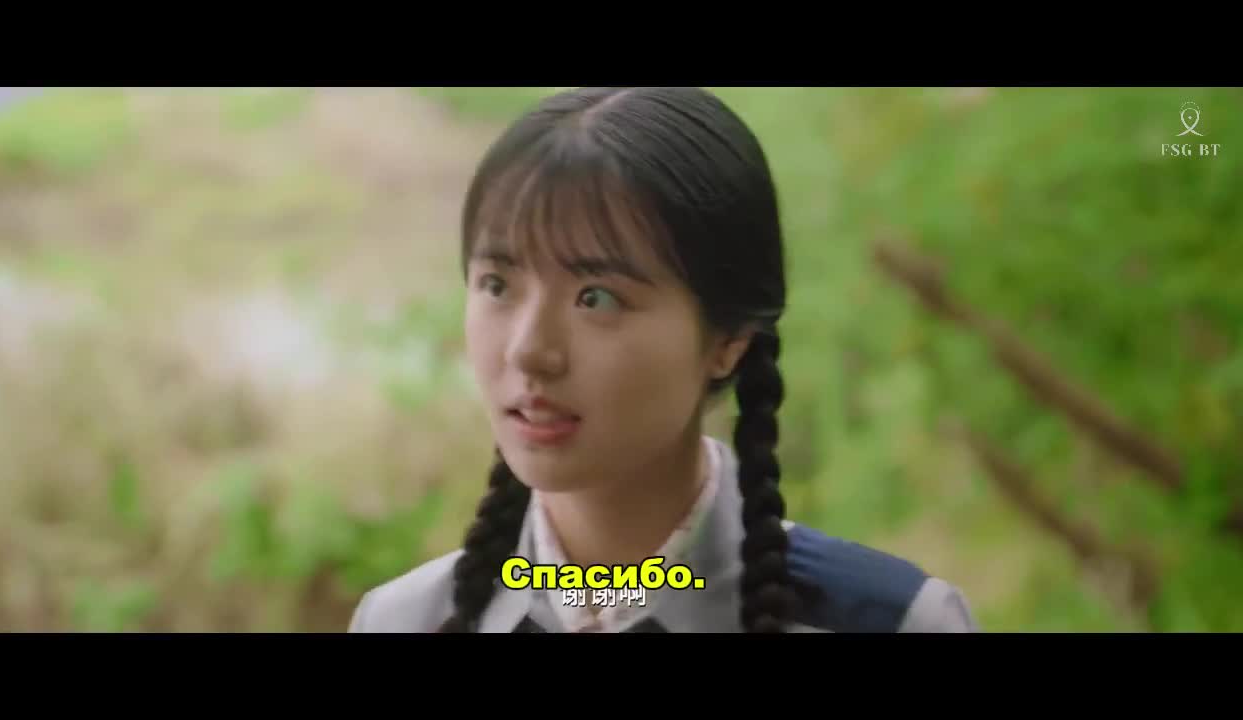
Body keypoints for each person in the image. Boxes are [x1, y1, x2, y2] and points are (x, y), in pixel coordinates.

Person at [348, 87, 980, 633]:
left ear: (728, 339)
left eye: (596, 297)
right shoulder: (403, 620)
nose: (528, 350)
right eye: (497, 285)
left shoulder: (890, 620)